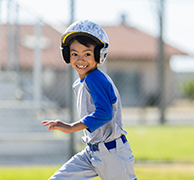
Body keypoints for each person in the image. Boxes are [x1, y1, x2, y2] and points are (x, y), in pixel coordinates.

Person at [42, 20, 137, 180]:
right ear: (66, 55)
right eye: (74, 54)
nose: (80, 59)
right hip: (91, 152)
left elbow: (104, 114)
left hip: (112, 154)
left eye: (87, 54)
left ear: (99, 54)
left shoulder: (95, 78)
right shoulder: (81, 82)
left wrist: (71, 127)